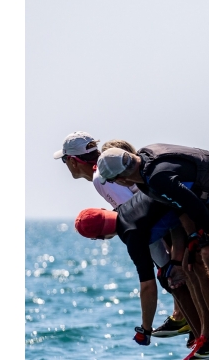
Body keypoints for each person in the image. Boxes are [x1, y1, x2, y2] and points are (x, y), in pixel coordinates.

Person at [94, 143, 209, 360]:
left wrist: (208, 235)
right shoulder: (146, 174)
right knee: (191, 263)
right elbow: (179, 209)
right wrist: (191, 239)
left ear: (123, 178)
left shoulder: (157, 178)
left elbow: (191, 204)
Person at [74, 194, 209, 360]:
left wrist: (145, 329)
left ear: (101, 237)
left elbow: (148, 287)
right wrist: (175, 259)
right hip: (207, 204)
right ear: (105, 211)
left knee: (189, 269)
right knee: (180, 269)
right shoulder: (129, 206)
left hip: (208, 213)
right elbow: (174, 219)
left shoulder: (131, 235)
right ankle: (207, 340)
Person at [54, 132, 191, 338]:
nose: (65, 164)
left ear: (73, 161)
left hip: (167, 219)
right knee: (170, 269)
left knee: (168, 274)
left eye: (65, 160)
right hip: (172, 214)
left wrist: (164, 263)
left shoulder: (101, 179)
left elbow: (138, 215)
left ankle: (189, 321)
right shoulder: (106, 170)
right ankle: (183, 315)